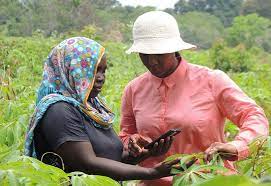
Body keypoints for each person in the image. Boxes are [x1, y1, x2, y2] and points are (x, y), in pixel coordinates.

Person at [119, 11, 269, 186]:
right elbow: (125, 134)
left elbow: (254, 115)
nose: (152, 62)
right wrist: (132, 143)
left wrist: (237, 145)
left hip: (210, 180)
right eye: (144, 54)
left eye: (159, 54)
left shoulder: (212, 80)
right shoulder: (134, 89)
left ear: (175, 50)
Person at [24, 37, 184, 181]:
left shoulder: (91, 107)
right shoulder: (59, 110)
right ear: (70, 70)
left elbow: (110, 158)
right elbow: (87, 164)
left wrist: (147, 153)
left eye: (103, 70)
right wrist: (153, 173)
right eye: (93, 70)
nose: (100, 77)